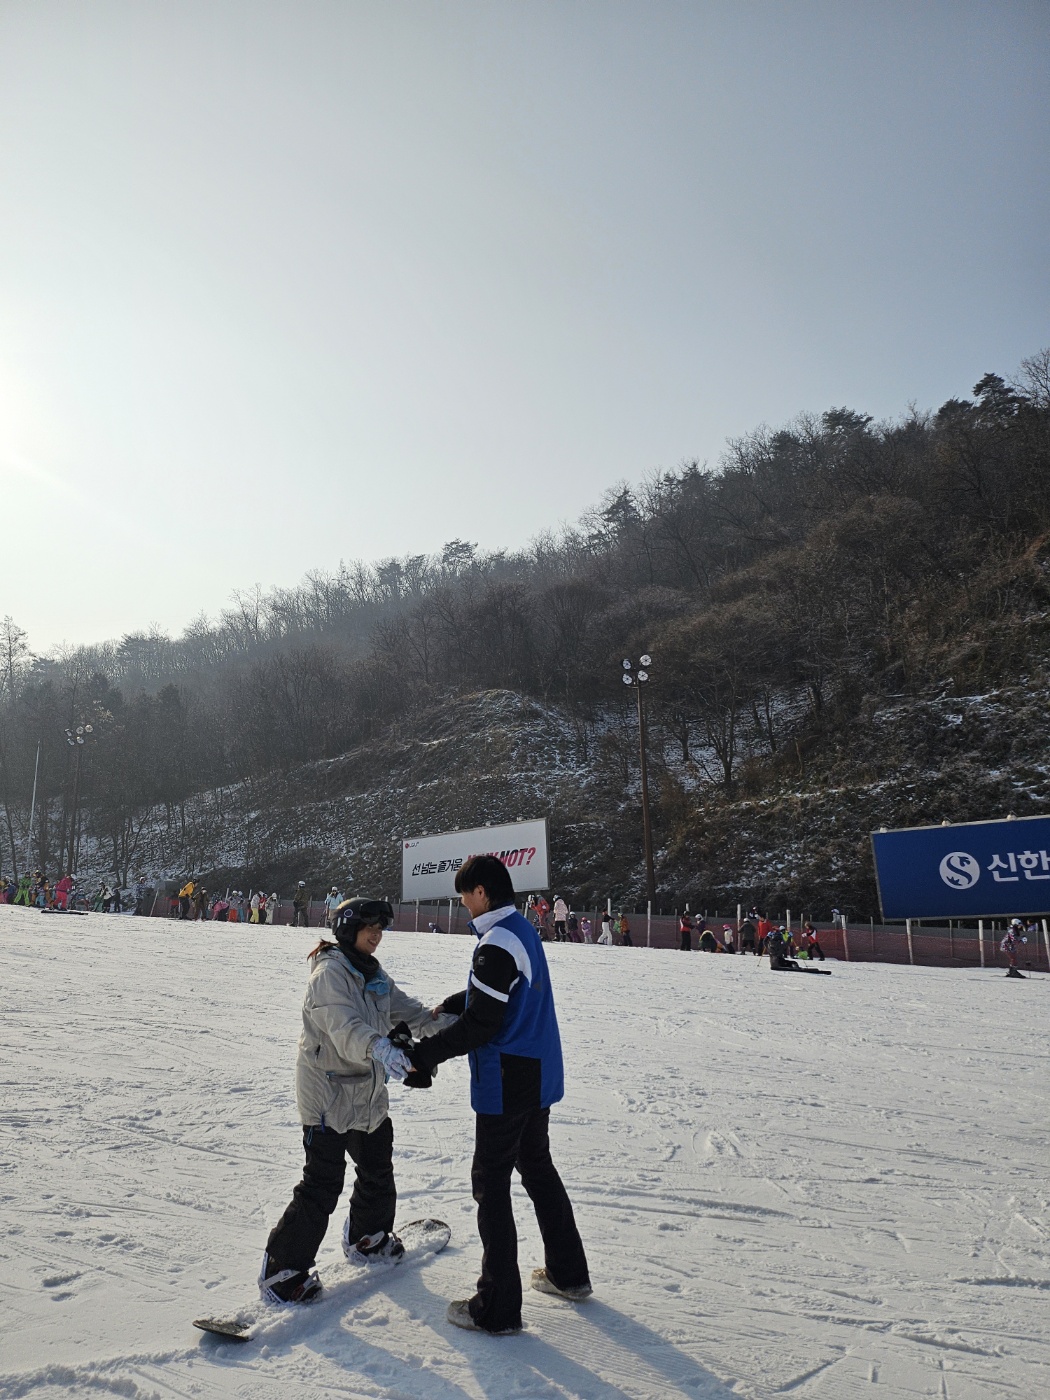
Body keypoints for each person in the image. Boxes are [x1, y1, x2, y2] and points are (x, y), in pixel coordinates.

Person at [402, 855, 591, 1335]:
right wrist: (454, 1001)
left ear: (482, 892)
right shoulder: (518, 929)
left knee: (492, 1186)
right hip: (538, 1072)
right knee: (538, 1170)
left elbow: (483, 1023)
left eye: (464, 894)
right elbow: (499, 994)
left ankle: (498, 1308)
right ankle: (569, 1276)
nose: (462, 903)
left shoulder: (494, 943)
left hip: (509, 1079)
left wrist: (425, 1056)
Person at [259, 897, 452, 1305]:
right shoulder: (329, 975)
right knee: (322, 1183)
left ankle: (369, 1236)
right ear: (347, 929)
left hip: (366, 1094)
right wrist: (384, 1049)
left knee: (377, 1167)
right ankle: (282, 1270)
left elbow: (409, 1012)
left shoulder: (373, 974)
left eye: (381, 929)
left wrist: (452, 1025)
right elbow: (344, 1029)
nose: (377, 935)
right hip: (327, 1096)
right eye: (369, 928)